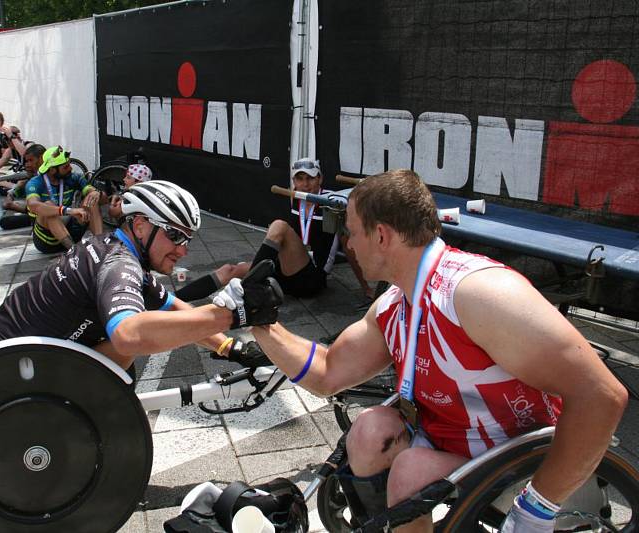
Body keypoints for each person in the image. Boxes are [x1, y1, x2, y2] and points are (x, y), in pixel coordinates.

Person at [218, 169, 628, 533]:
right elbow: (328, 373)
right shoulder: (397, 302)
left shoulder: (479, 294)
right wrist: (262, 323)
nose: (348, 242)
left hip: (532, 463)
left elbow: (602, 396)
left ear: (381, 235)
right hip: (459, 448)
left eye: (353, 230)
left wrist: (538, 508)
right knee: (368, 432)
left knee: (411, 472)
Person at [0, 180, 281, 374]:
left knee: (149, 322)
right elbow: (128, 336)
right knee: (129, 345)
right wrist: (225, 315)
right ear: (140, 224)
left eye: (188, 240)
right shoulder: (119, 264)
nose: (183, 251)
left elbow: (170, 307)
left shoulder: (112, 246)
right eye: (174, 236)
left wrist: (231, 347)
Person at [174, 157, 370, 303]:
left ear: (320, 178)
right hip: (290, 270)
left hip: (312, 279)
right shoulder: (297, 199)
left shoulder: (333, 204)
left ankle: (250, 286)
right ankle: (171, 300)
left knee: (279, 226)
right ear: (294, 181)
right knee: (230, 270)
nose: (305, 184)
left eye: (310, 178)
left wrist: (366, 288)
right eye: (299, 179)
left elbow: (348, 246)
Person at [25, 145, 103, 253]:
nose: (70, 168)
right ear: (52, 170)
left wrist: (95, 192)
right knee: (49, 206)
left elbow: (95, 194)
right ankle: (74, 252)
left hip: (70, 230)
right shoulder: (35, 182)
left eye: (69, 165)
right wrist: (69, 210)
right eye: (65, 167)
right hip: (46, 240)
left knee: (91, 200)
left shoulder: (73, 177)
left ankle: (101, 245)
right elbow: (33, 205)